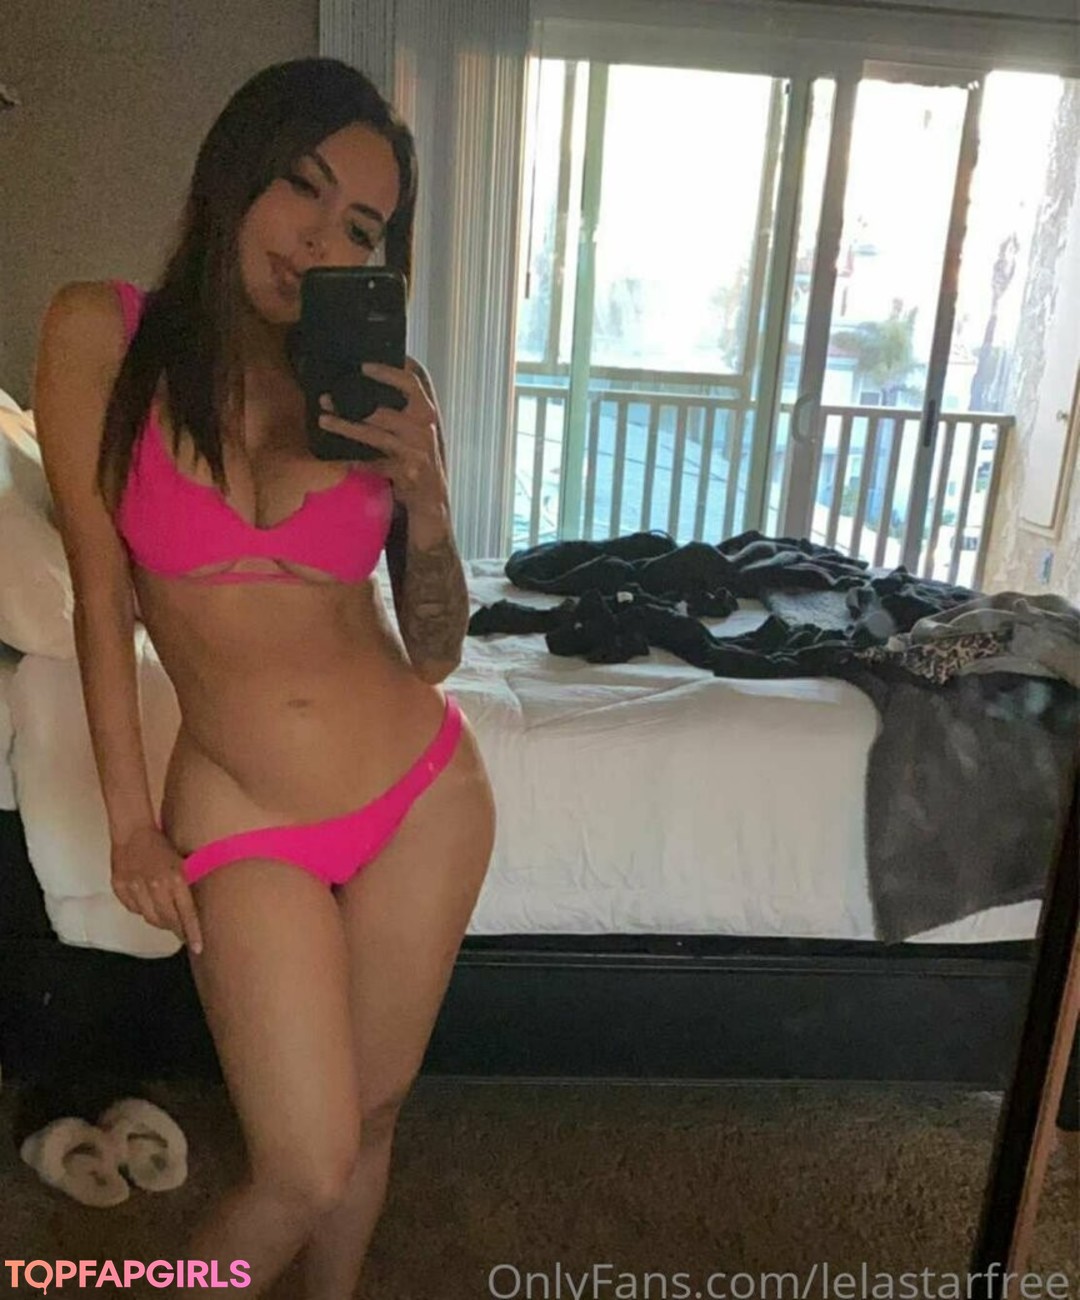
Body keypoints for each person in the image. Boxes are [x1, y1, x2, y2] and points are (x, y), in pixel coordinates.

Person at [33, 58, 496, 1299]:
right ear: (235, 168)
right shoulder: (99, 335)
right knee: (303, 1162)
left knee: (374, 1117)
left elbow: (438, 648)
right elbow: (98, 594)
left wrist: (430, 503)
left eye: (362, 227)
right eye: (302, 185)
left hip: (421, 792)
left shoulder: (379, 395)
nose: (318, 239)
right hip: (241, 811)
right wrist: (131, 822)